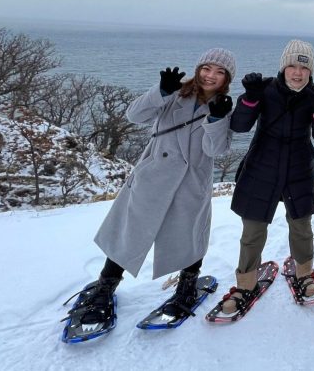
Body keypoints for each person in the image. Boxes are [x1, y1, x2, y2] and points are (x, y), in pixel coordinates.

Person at [63, 48, 235, 340]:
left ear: (226, 80)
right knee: (130, 232)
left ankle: (187, 286)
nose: (211, 76)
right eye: (207, 68)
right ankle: (106, 286)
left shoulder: (223, 106)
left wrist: (217, 121)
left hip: (191, 182)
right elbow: (135, 115)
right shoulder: (175, 93)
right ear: (198, 69)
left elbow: (215, 150)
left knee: (189, 235)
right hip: (153, 176)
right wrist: (161, 91)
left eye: (220, 72)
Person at [216, 40, 314, 316]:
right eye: (292, 65)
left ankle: (304, 273)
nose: (297, 72)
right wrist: (250, 98)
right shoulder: (265, 89)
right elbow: (240, 125)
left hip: (299, 170)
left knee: (301, 226)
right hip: (261, 169)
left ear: (310, 71)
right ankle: (245, 284)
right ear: (283, 67)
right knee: (253, 230)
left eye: (303, 67)